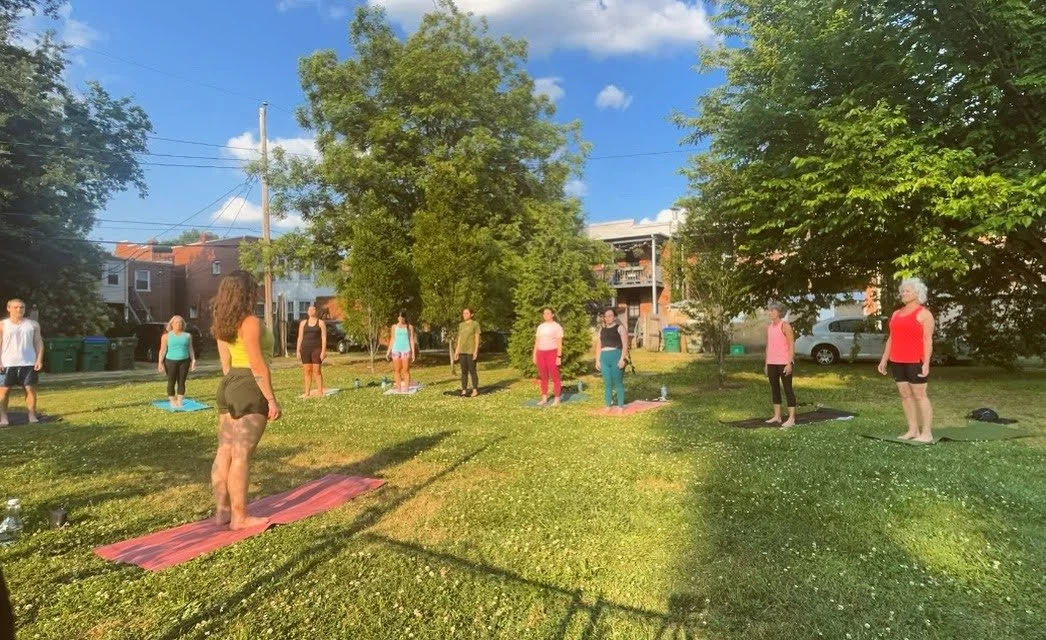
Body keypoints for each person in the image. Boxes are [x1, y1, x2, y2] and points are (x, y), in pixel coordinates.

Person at [211, 271, 281, 530]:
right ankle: (239, 518)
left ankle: (222, 512)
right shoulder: (250, 322)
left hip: (228, 384)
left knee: (224, 450)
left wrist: (232, 388)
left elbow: (225, 363)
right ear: (246, 292)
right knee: (241, 455)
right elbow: (257, 363)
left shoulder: (223, 322)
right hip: (248, 385)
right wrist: (271, 400)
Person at [877, 277, 935, 442]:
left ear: (917, 294)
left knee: (920, 395)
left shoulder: (924, 314)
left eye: (907, 291)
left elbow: (927, 340)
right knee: (905, 395)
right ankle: (913, 430)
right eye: (902, 291)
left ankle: (927, 433)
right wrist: (884, 359)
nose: (903, 293)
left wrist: (926, 363)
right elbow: (891, 338)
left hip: (915, 360)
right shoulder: (896, 314)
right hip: (897, 359)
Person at [0, 298, 44, 427]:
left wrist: (39, 359)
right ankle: (3, 418)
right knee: (4, 391)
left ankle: (31, 415)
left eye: (21, 307)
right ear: (8, 308)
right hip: (7, 363)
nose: (19, 309)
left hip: (28, 362)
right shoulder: (3, 324)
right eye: (15, 307)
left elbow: (38, 342)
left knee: (30, 389)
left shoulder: (33, 324)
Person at [764, 302, 797, 428]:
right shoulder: (769, 327)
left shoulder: (785, 326)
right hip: (772, 362)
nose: (770, 312)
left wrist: (789, 363)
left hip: (784, 363)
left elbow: (791, 345)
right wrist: (767, 363)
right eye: (769, 310)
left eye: (773, 310)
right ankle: (777, 416)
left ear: (779, 312)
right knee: (775, 389)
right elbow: (769, 346)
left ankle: (791, 419)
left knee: (788, 389)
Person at [157, 315, 197, 407]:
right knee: (171, 381)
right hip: (170, 362)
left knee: (181, 381)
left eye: (181, 322)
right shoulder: (166, 336)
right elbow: (162, 350)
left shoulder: (187, 336)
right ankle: (172, 401)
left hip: (184, 361)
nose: (179, 324)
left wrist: (193, 360)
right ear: (172, 324)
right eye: (177, 322)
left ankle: (180, 401)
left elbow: (190, 348)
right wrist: (160, 363)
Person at [595, 307, 629, 414]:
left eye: (610, 316)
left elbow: (625, 345)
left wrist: (622, 359)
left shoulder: (620, 328)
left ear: (614, 317)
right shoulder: (602, 329)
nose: (607, 318)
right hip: (604, 358)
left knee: (618, 382)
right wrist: (597, 360)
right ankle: (607, 406)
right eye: (606, 316)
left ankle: (620, 406)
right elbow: (599, 345)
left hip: (616, 356)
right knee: (607, 383)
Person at [531, 307, 564, 406]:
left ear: (553, 314)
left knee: (555, 376)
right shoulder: (540, 327)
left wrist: (559, 356)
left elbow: (559, 342)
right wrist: (534, 355)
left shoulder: (557, 327)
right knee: (543, 376)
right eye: (544, 314)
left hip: (552, 353)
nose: (546, 315)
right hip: (541, 353)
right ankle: (544, 398)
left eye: (548, 313)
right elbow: (537, 342)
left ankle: (557, 399)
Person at [295, 304, 327, 398]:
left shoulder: (320, 323)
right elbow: (300, 337)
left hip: (317, 349)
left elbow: (324, 337)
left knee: (317, 370)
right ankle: (307, 392)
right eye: (309, 310)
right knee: (307, 371)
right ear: (307, 312)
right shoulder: (303, 323)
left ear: (315, 311)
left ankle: (320, 392)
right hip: (305, 349)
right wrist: (298, 350)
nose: (310, 311)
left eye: (312, 310)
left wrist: (323, 351)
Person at [385, 309, 416, 392]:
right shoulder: (394, 327)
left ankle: (406, 388)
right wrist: (388, 351)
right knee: (397, 370)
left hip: (406, 350)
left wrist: (413, 352)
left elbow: (412, 339)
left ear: (405, 318)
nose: (401, 319)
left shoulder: (409, 327)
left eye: (402, 317)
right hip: (396, 350)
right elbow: (392, 339)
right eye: (399, 317)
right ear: (397, 318)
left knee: (405, 370)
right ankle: (398, 388)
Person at [453, 308, 481, 396]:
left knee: (472, 370)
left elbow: (477, 339)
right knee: (464, 371)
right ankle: (464, 389)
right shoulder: (461, 325)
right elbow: (460, 338)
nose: (464, 315)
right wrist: (456, 351)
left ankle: (475, 390)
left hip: (471, 351)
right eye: (463, 313)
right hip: (462, 351)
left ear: (471, 314)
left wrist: (475, 351)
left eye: (466, 313)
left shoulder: (475, 324)